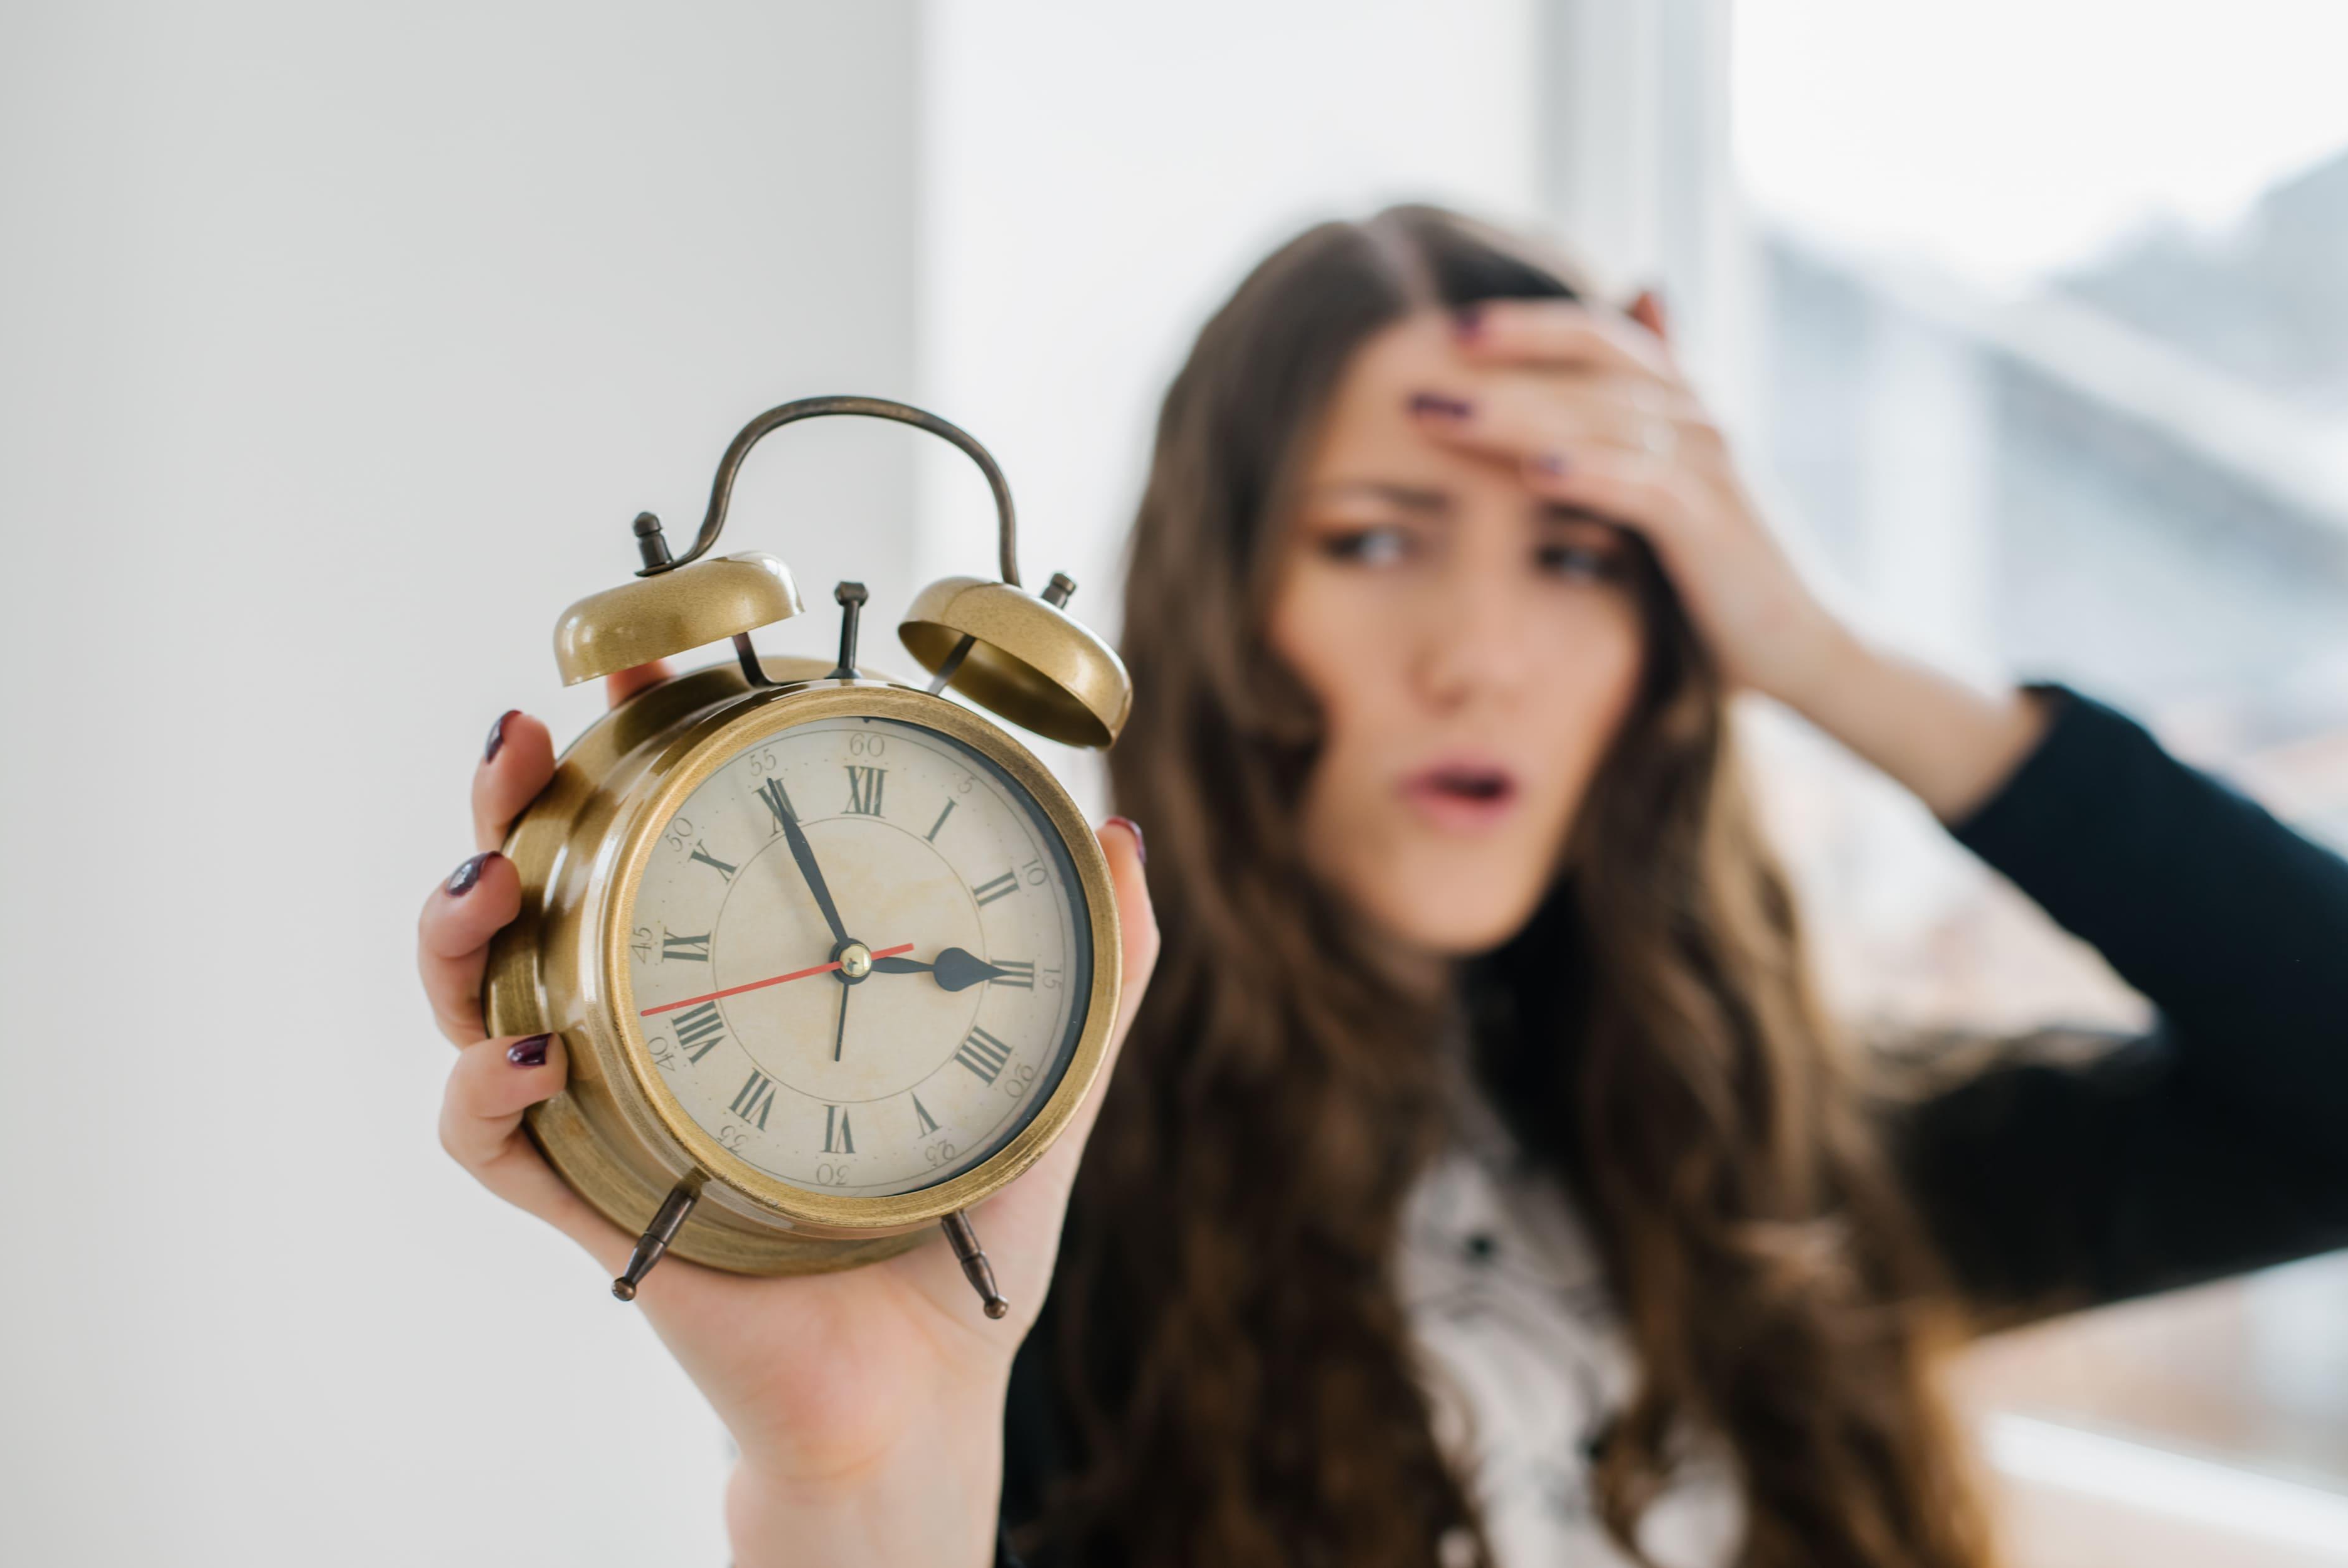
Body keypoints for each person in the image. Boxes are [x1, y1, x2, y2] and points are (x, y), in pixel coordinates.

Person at [416, 205, 2348, 1568]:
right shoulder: (1010, 1210)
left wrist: (1819, 652)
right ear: (1231, 610)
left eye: (1581, 555)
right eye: (1375, 537)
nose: (1481, 653)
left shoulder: (1775, 1171)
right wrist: (849, 1477)